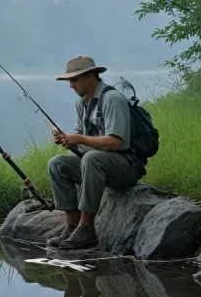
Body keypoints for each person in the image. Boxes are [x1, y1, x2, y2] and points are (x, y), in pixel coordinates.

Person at [48, 55, 145, 250]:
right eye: (69, 80)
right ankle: (72, 226)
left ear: (91, 76)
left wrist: (81, 139)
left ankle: (87, 229)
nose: (70, 85)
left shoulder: (112, 99)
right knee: (57, 164)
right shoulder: (82, 103)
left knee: (91, 159)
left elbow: (116, 142)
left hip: (127, 166)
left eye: (74, 80)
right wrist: (68, 140)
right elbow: (80, 139)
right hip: (98, 163)